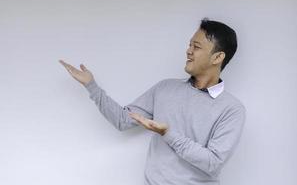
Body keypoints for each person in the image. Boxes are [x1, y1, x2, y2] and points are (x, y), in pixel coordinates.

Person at [59, 18, 246, 185]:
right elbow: (122, 120)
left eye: (196, 47)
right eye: (189, 45)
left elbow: (213, 163)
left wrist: (168, 134)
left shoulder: (232, 109)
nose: (188, 51)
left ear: (218, 57)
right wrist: (91, 86)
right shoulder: (165, 88)